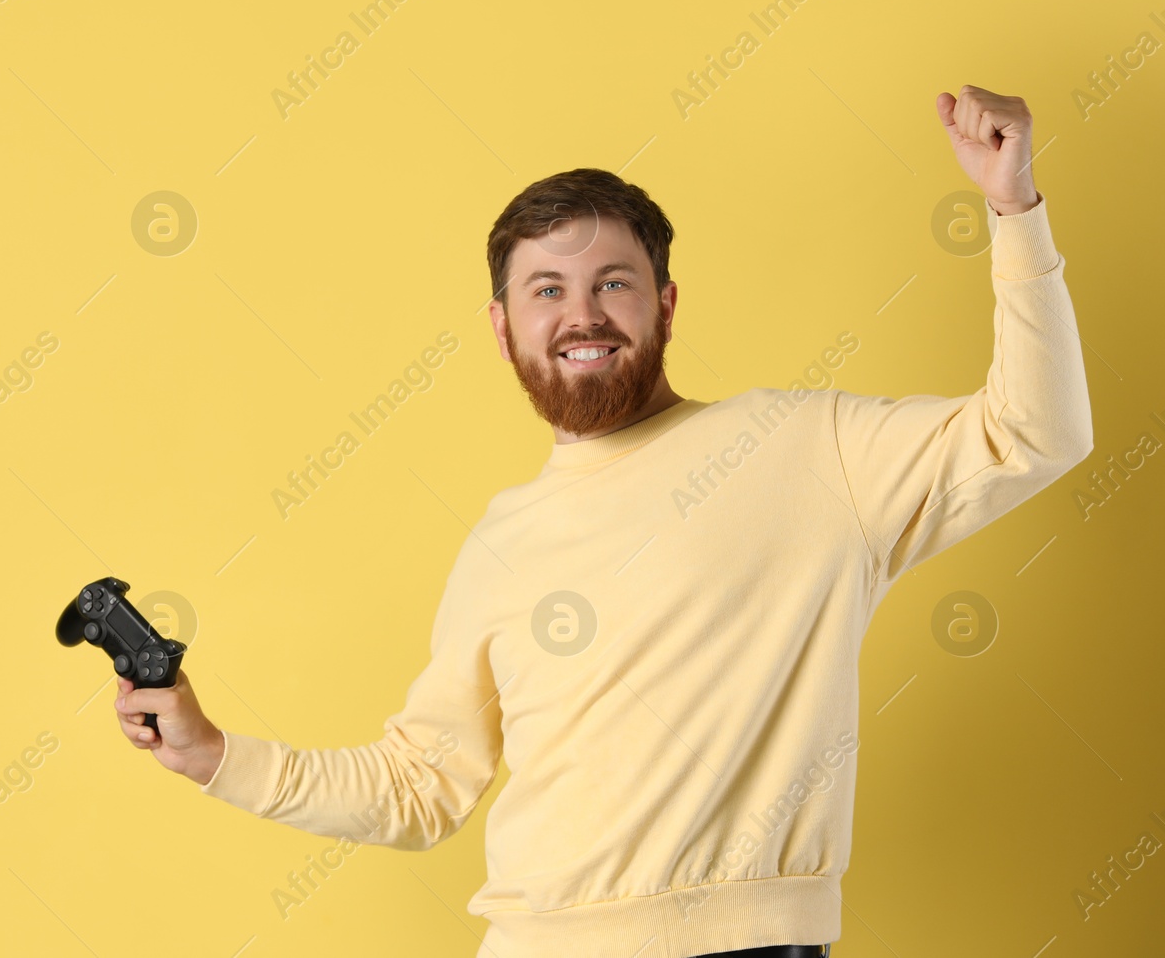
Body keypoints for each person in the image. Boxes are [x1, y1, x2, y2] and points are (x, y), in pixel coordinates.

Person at [111, 85, 1093, 958]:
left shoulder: (808, 447)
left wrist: (1013, 210)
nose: (581, 314)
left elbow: (1034, 433)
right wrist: (210, 753)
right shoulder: (502, 541)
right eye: (547, 290)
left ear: (665, 304)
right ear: (503, 329)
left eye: (611, 283)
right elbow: (420, 786)